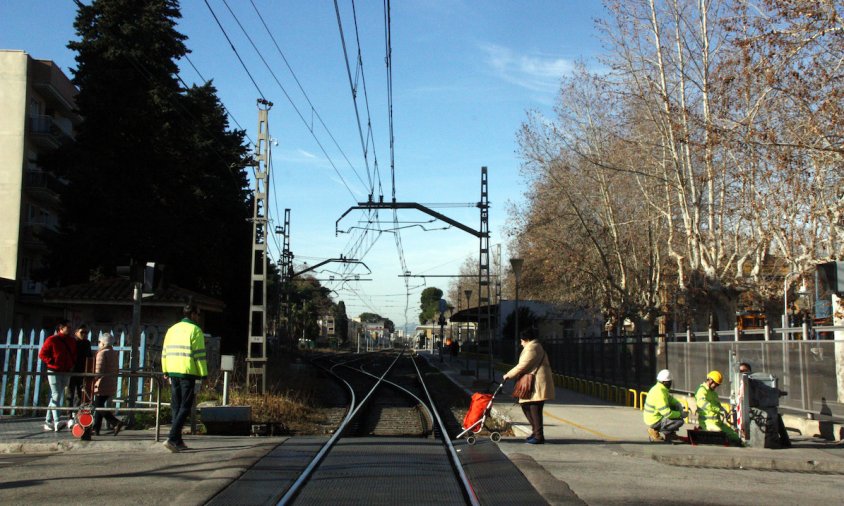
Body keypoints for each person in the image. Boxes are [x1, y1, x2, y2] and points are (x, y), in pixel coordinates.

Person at [161, 303, 207, 452]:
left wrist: (165, 370)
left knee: (176, 405)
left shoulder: (172, 329)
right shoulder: (195, 330)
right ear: (193, 314)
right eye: (198, 314)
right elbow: (199, 355)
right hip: (187, 372)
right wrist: (203, 374)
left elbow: (165, 351)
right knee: (185, 407)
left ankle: (178, 441)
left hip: (172, 371)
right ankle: (172, 437)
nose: (199, 317)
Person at [502, 332, 554, 444]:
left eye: (521, 341)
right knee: (526, 405)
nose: (521, 343)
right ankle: (536, 432)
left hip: (536, 383)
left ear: (526, 339)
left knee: (535, 408)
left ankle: (539, 436)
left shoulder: (532, 348)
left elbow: (523, 365)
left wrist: (508, 375)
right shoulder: (535, 346)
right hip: (534, 382)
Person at [738, 362, 790, 447]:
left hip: (760, 407)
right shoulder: (740, 383)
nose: (743, 373)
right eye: (741, 371)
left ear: (750, 371)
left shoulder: (754, 381)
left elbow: (767, 389)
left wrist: (776, 392)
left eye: (745, 371)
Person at [38, 320, 77, 432]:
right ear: (61, 328)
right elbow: (42, 354)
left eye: (70, 327)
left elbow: (74, 354)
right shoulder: (52, 340)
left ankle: (47, 421)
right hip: (54, 370)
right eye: (67, 327)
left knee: (56, 395)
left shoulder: (71, 341)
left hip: (65, 371)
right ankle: (56, 421)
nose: (69, 329)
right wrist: (52, 361)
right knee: (56, 394)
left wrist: (71, 364)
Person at [695, 370, 741, 445]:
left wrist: (724, 411)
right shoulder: (702, 390)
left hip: (718, 422)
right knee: (720, 434)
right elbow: (702, 403)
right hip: (707, 423)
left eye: (718, 385)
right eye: (716, 384)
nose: (716, 386)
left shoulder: (713, 393)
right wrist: (718, 410)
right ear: (710, 381)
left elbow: (718, 405)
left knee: (735, 437)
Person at [92, 333, 124, 436]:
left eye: (99, 342)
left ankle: (115, 422)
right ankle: (96, 428)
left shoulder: (102, 353)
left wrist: (93, 379)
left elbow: (98, 370)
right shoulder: (113, 353)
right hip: (111, 382)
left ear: (102, 343)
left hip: (102, 384)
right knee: (99, 405)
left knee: (98, 406)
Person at [643, 369, 686, 442]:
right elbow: (667, 413)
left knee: (674, 408)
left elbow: (670, 399)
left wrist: (677, 404)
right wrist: (680, 414)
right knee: (679, 421)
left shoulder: (660, 388)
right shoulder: (660, 393)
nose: (670, 383)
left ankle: (669, 433)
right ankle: (655, 430)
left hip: (654, 416)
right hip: (654, 420)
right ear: (664, 382)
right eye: (669, 382)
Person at [67, 324, 94, 410]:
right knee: (70, 394)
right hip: (71, 371)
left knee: (80, 393)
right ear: (76, 333)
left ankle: (76, 413)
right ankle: (69, 415)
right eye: (82, 332)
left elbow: (89, 357)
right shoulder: (72, 342)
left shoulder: (87, 343)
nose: (84, 334)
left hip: (82, 371)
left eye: (86, 332)